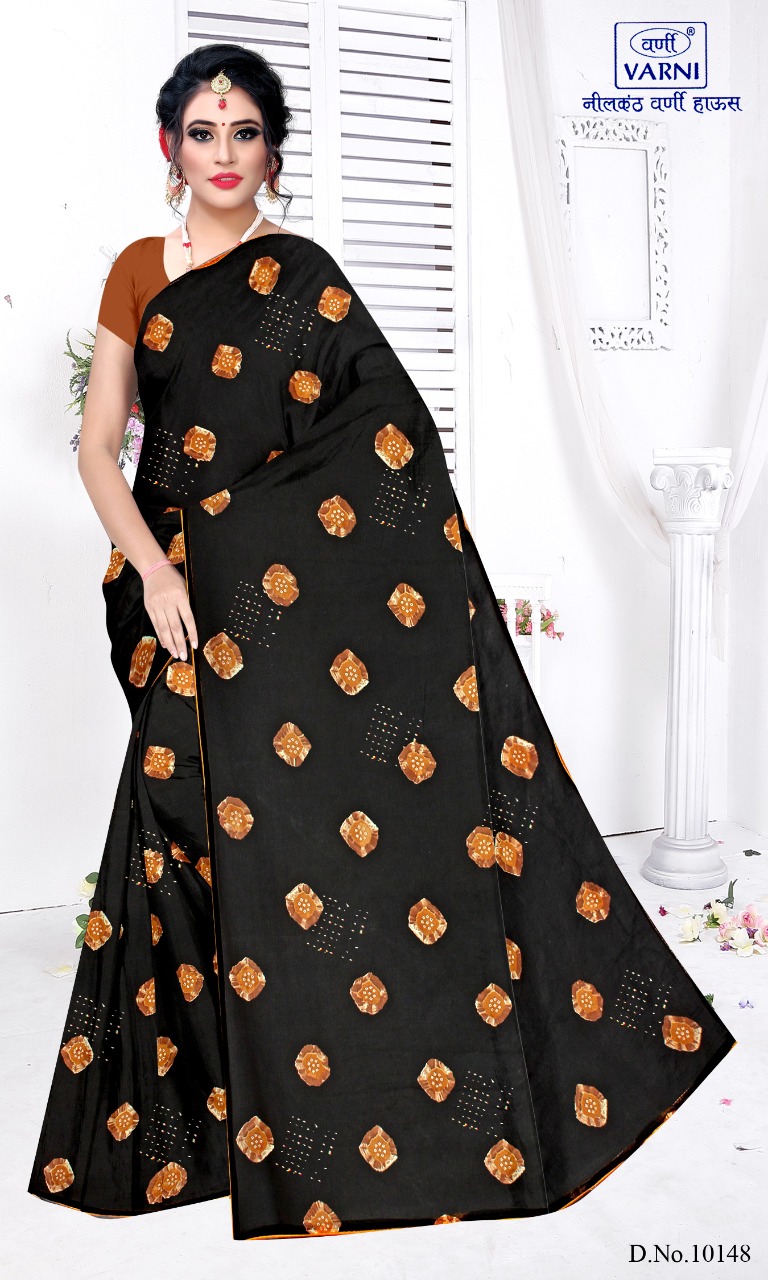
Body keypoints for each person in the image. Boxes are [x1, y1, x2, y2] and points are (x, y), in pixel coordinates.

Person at [27, 42, 737, 1241]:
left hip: (279, 605)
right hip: (181, 593)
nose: (223, 153)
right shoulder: (139, 271)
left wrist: (240, 538)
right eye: (202, 132)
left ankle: (348, 1092)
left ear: (273, 151)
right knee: (174, 812)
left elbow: (388, 427)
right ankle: (196, 1121)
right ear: (168, 147)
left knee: (302, 831)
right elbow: (101, 447)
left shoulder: (303, 274)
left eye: (245, 132)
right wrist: (156, 565)